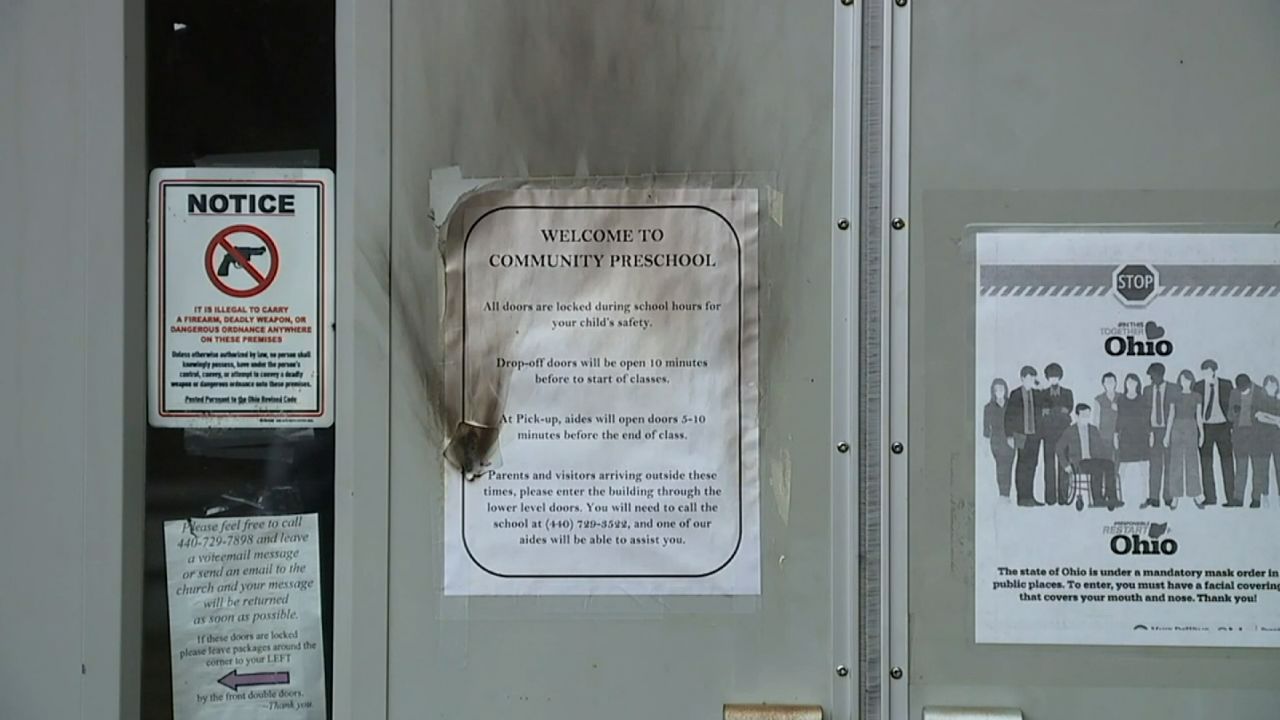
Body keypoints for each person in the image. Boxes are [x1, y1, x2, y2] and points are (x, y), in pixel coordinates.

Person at [1056, 403, 1118, 510]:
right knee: (1096, 468)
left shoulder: (1093, 429)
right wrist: (1065, 465)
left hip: (1094, 459)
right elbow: (1059, 448)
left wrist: (1107, 458)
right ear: (1077, 416)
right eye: (1083, 415)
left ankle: (1112, 497)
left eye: (1088, 415)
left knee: (1110, 465)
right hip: (1079, 462)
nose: (1086, 418)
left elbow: (1101, 448)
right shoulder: (1070, 430)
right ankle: (1097, 499)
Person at [1194, 359, 1236, 506]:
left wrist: (1231, 425)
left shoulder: (1226, 384)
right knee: (1206, 463)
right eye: (1203, 371)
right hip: (1205, 428)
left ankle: (1231, 498)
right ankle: (1210, 497)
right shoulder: (1198, 386)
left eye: (1207, 371)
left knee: (1227, 461)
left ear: (1213, 371)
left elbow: (1233, 405)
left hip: (1223, 427)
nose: (1205, 374)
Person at [1004, 365, 1045, 507]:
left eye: (1033, 378)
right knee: (1022, 465)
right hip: (1021, 435)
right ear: (1022, 379)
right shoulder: (1015, 394)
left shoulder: (1037, 394)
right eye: (1028, 378)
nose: (1030, 381)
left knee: (1032, 465)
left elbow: (1048, 405)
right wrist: (1009, 435)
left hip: (1035, 435)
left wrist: (1040, 387)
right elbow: (1008, 416)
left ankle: (1030, 497)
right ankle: (1022, 498)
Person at [1165, 369, 1204, 509]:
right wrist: (1166, 435)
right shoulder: (1174, 396)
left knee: (1192, 461)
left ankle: (1196, 494)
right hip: (1177, 428)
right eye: (1182, 379)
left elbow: (1199, 417)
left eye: (1187, 379)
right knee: (1176, 462)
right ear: (1179, 381)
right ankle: (1175, 496)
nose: (1185, 382)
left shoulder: (1197, 396)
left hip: (1191, 428)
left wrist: (1202, 433)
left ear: (1191, 380)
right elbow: (1170, 416)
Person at [1141, 362, 1177, 508]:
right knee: (1154, 466)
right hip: (1154, 432)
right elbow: (1145, 414)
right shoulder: (1147, 390)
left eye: (1152, 376)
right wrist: (1149, 432)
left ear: (1160, 374)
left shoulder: (1173, 388)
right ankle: (1153, 498)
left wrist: (1168, 435)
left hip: (1169, 431)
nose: (1151, 379)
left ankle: (1168, 496)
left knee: (1169, 465)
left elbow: (1174, 413)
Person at [1229, 374, 1268, 508]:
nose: (1242, 392)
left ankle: (1256, 499)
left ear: (1250, 385)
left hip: (1256, 436)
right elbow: (1229, 416)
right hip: (1240, 436)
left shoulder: (1260, 392)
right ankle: (1238, 498)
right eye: (1240, 390)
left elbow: (1266, 414)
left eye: (1244, 390)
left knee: (1257, 469)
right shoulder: (1234, 393)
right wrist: (1234, 412)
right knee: (1241, 469)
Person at [1040, 362, 1074, 505]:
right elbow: (1044, 413)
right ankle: (1050, 499)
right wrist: (1058, 410)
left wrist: (1053, 411)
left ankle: (1063, 498)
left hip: (1064, 434)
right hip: (1048, 434)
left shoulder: (1067, 393)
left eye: (1056, 376)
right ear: (1047, 378)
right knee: (1048, 465)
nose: (1053, 379)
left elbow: (1068, 411)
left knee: (1063, 463)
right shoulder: (1043, 393)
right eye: (1051, 377)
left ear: (1060, 377)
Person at [1114, 372, 1149, 508]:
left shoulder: (1142, 399)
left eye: (1134, 382)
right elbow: (1119, 418)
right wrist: (1115, 435)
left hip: (1141, 437)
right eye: (1128, 382)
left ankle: (1144, 498)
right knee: (1121, 469)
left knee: (1144, 470)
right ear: (1125, 384)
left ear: (1138, 384)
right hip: (1126, 438)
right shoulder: (1121, 399)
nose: (1131, 385)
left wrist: (1150, 433)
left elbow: (1146, 418)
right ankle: (1117, 497)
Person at [983, 378, 1016, 502]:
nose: (999, 391)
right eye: (996, 389)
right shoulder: (988, 407)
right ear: (993, 391)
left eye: (1001, 388)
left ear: (1005, 390)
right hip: (996, 442)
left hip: (1010, 441)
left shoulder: (1011, 404)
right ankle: (1003, 495)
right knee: (1001, 468)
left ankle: (1006, 494)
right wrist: (985, 447)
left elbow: (1017, 423)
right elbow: (986, 429)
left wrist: (1014, 438)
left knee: (1009, 467)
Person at [1252, 375, 1280, 506]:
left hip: (1277, 440)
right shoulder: (1259, 400)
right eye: (1269, 385)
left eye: (1274, 385)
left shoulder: (1278, 402)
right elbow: (1258, 416)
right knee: (1262, 469)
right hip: (1261, 440)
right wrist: (1276, 420)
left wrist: (1268, 417)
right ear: (1264, 386)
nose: (1272, 388)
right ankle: (1264, 496)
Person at [1093, 373, 1121, 463]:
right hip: (1104, 435)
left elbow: (1127, 415)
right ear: (1103, 384)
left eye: (1112, 382)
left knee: (1119, 459)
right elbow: (1096, 419)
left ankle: (1116, 476)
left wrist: (1119, 409)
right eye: (1107, 382)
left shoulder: (1121, 397)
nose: (1110, 384)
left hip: (1119, 434)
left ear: (1116, 383)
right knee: (1106, 460)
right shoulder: (1098, 399)